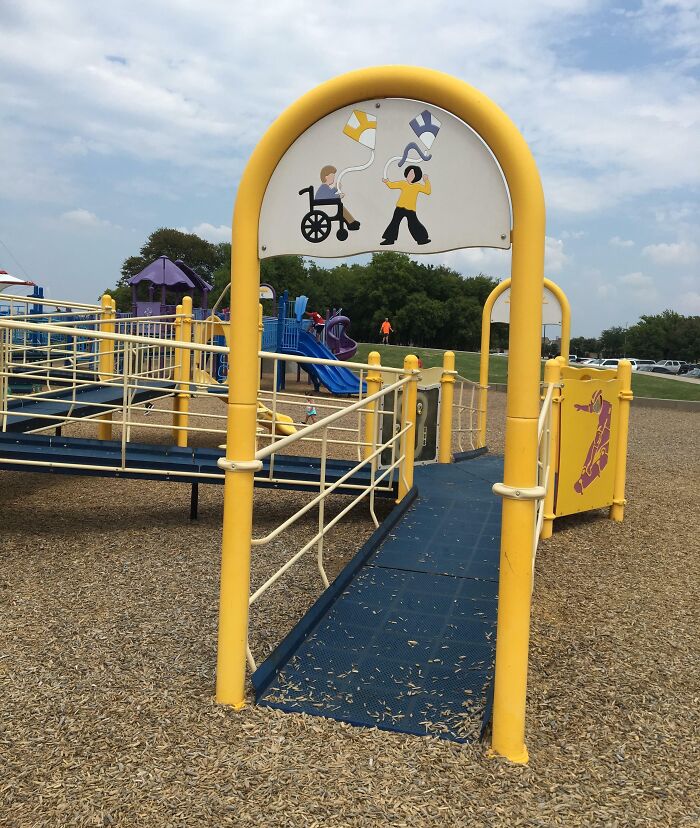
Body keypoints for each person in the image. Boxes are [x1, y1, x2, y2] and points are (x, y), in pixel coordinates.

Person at [381, 165, 431, 245]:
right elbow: (392, 185)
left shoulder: (417, 186)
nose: (409, 176)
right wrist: (387, 182)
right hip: (400, 207)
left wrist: (426, 181)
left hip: (411, 209)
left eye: (412, 174)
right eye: (409, 174)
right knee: (394, 222)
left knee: (414, 224)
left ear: (416, 176)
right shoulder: (403, 183)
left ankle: (422, 239)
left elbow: (427, 191)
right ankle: (389, 239)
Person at [316, 166, 360, 230]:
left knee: (341, 207)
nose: (333, 178)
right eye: (332, 176)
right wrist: (338, 196)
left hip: (326, 204)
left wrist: (336, 189)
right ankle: (351, 222)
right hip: (325, 206)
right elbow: (328, 197)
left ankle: (351, 222)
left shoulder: (324, 187)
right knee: (341, 208)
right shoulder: (324, 187)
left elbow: (329, 194)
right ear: (326, 177)